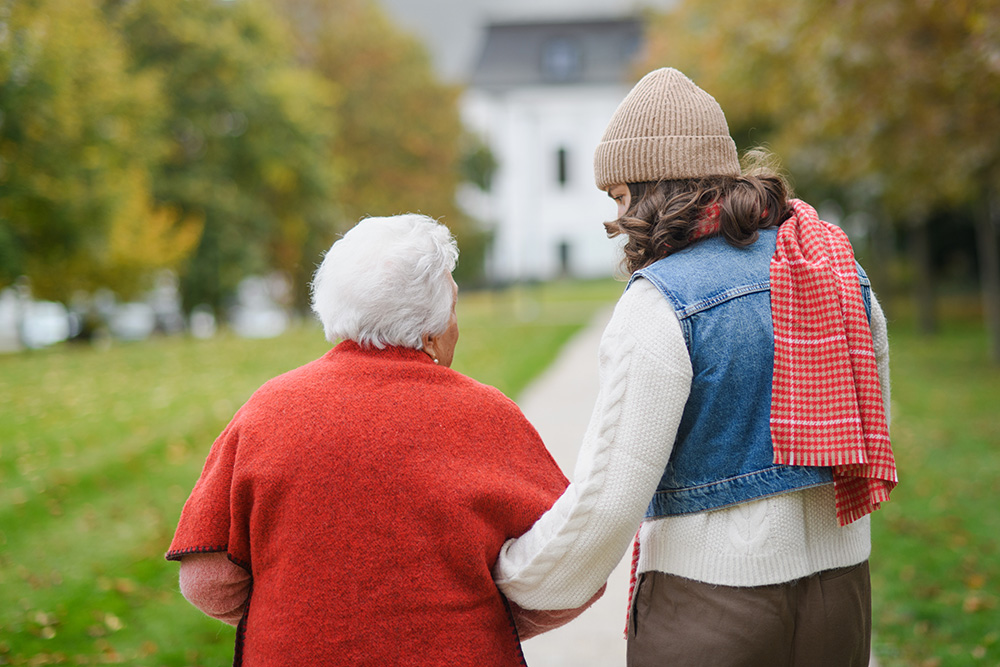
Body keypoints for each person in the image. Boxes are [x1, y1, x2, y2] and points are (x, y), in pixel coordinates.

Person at [492, 68, 896, 666]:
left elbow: (608, 500)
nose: (618, 217)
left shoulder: (662, 301)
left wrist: (512, 582)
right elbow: (870, 429)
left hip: (711, 608)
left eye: (620, 195)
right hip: (842, 599)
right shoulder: (835, 270)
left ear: (652, 189)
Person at [166, 214, 599, 666]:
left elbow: (207, 579)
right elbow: (571, 566)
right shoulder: (489, 417)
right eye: (452, 306)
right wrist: (480, 620)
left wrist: (313, 621)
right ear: (432, 327)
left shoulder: (264, 411)